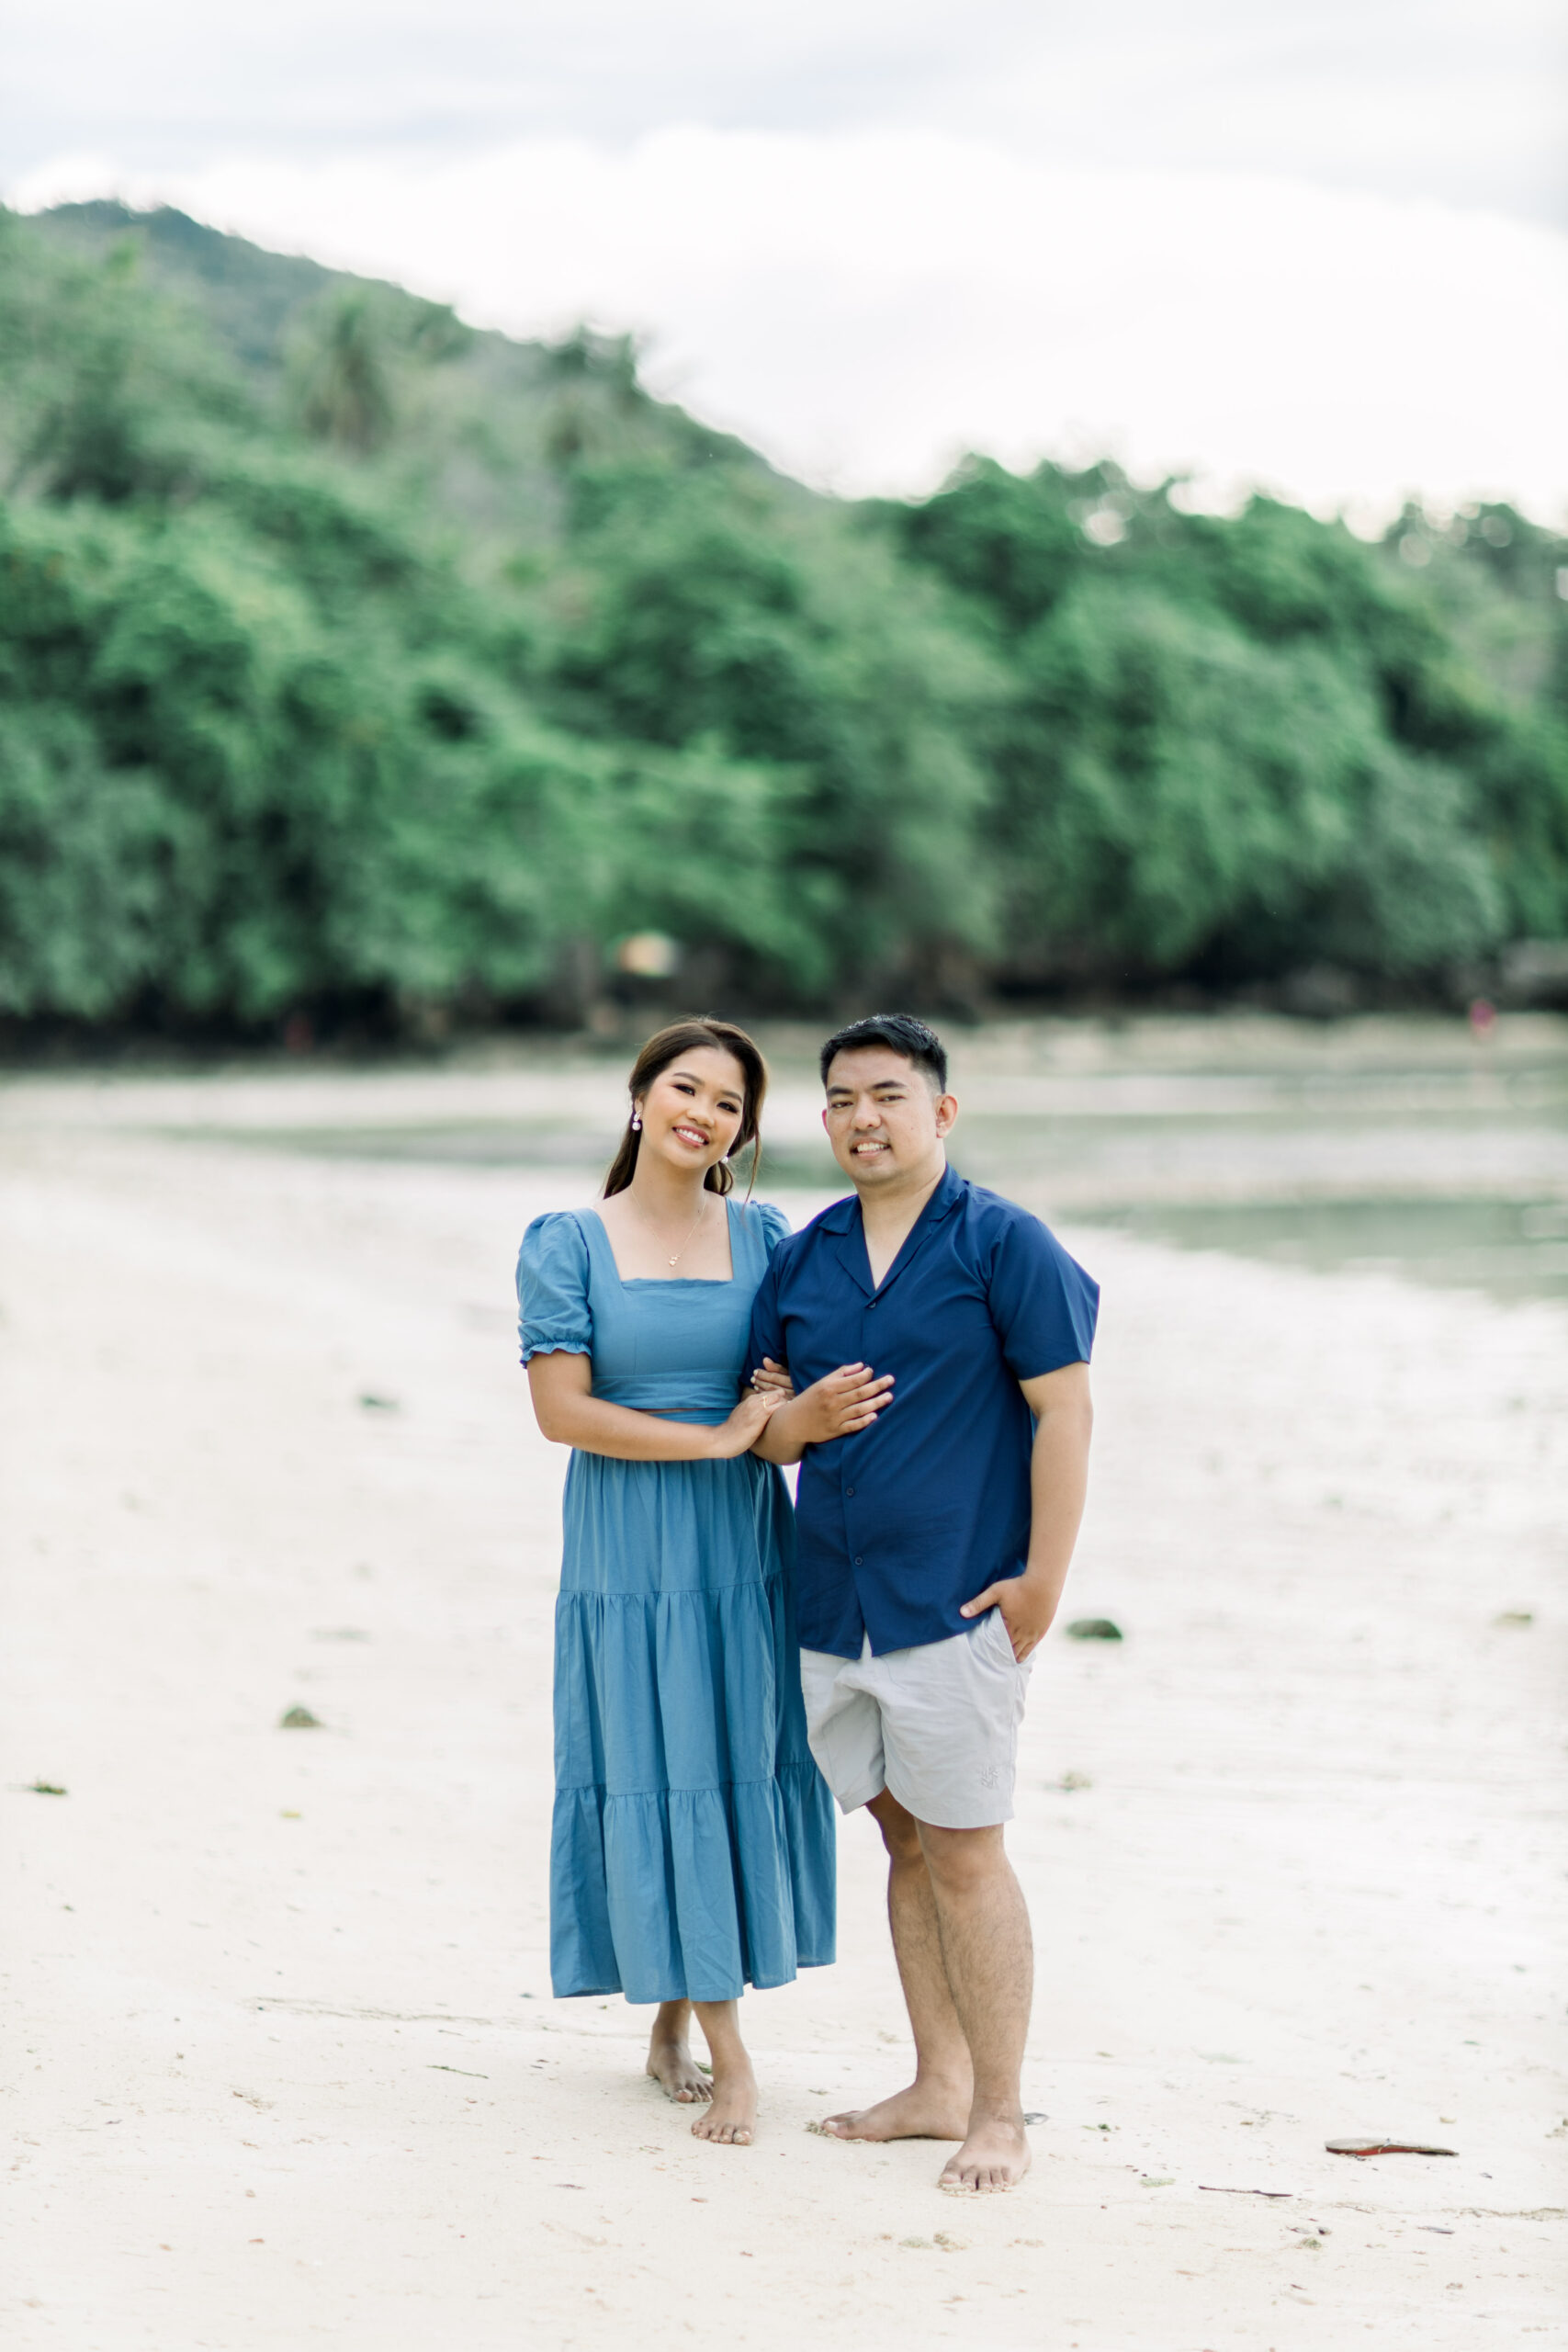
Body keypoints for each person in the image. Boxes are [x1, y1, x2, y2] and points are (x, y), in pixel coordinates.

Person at [749, 1012, 1098, 2195]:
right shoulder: (805, 1256)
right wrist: (794, 1421)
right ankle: (936, 2083)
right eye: (844, 1099)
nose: (865, 1118)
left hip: (953, 1600)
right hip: (830, 1600)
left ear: (941, 1110)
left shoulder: (1004, 1243)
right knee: (904, 1839)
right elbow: (764, 1422)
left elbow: (1064, 1411)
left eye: (889, 1095)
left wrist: (1044, 1579)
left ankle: (999, 2113)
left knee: (966, 1850)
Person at [516, 1018, 843, 2149]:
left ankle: (673, 2023)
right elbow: (561, 1411)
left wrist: (795, 1420)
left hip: (741, 1548)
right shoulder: (567, 1241)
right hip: (626, 1548)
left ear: (744, 1132)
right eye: (685, 1088)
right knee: (659, 1760)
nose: (702, 1113)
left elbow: (774, 1417)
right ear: (640, 1095)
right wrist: (710, 1439)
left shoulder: (766, 1236)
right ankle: (733, 2057)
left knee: (721, 1757)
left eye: (728, 1103)